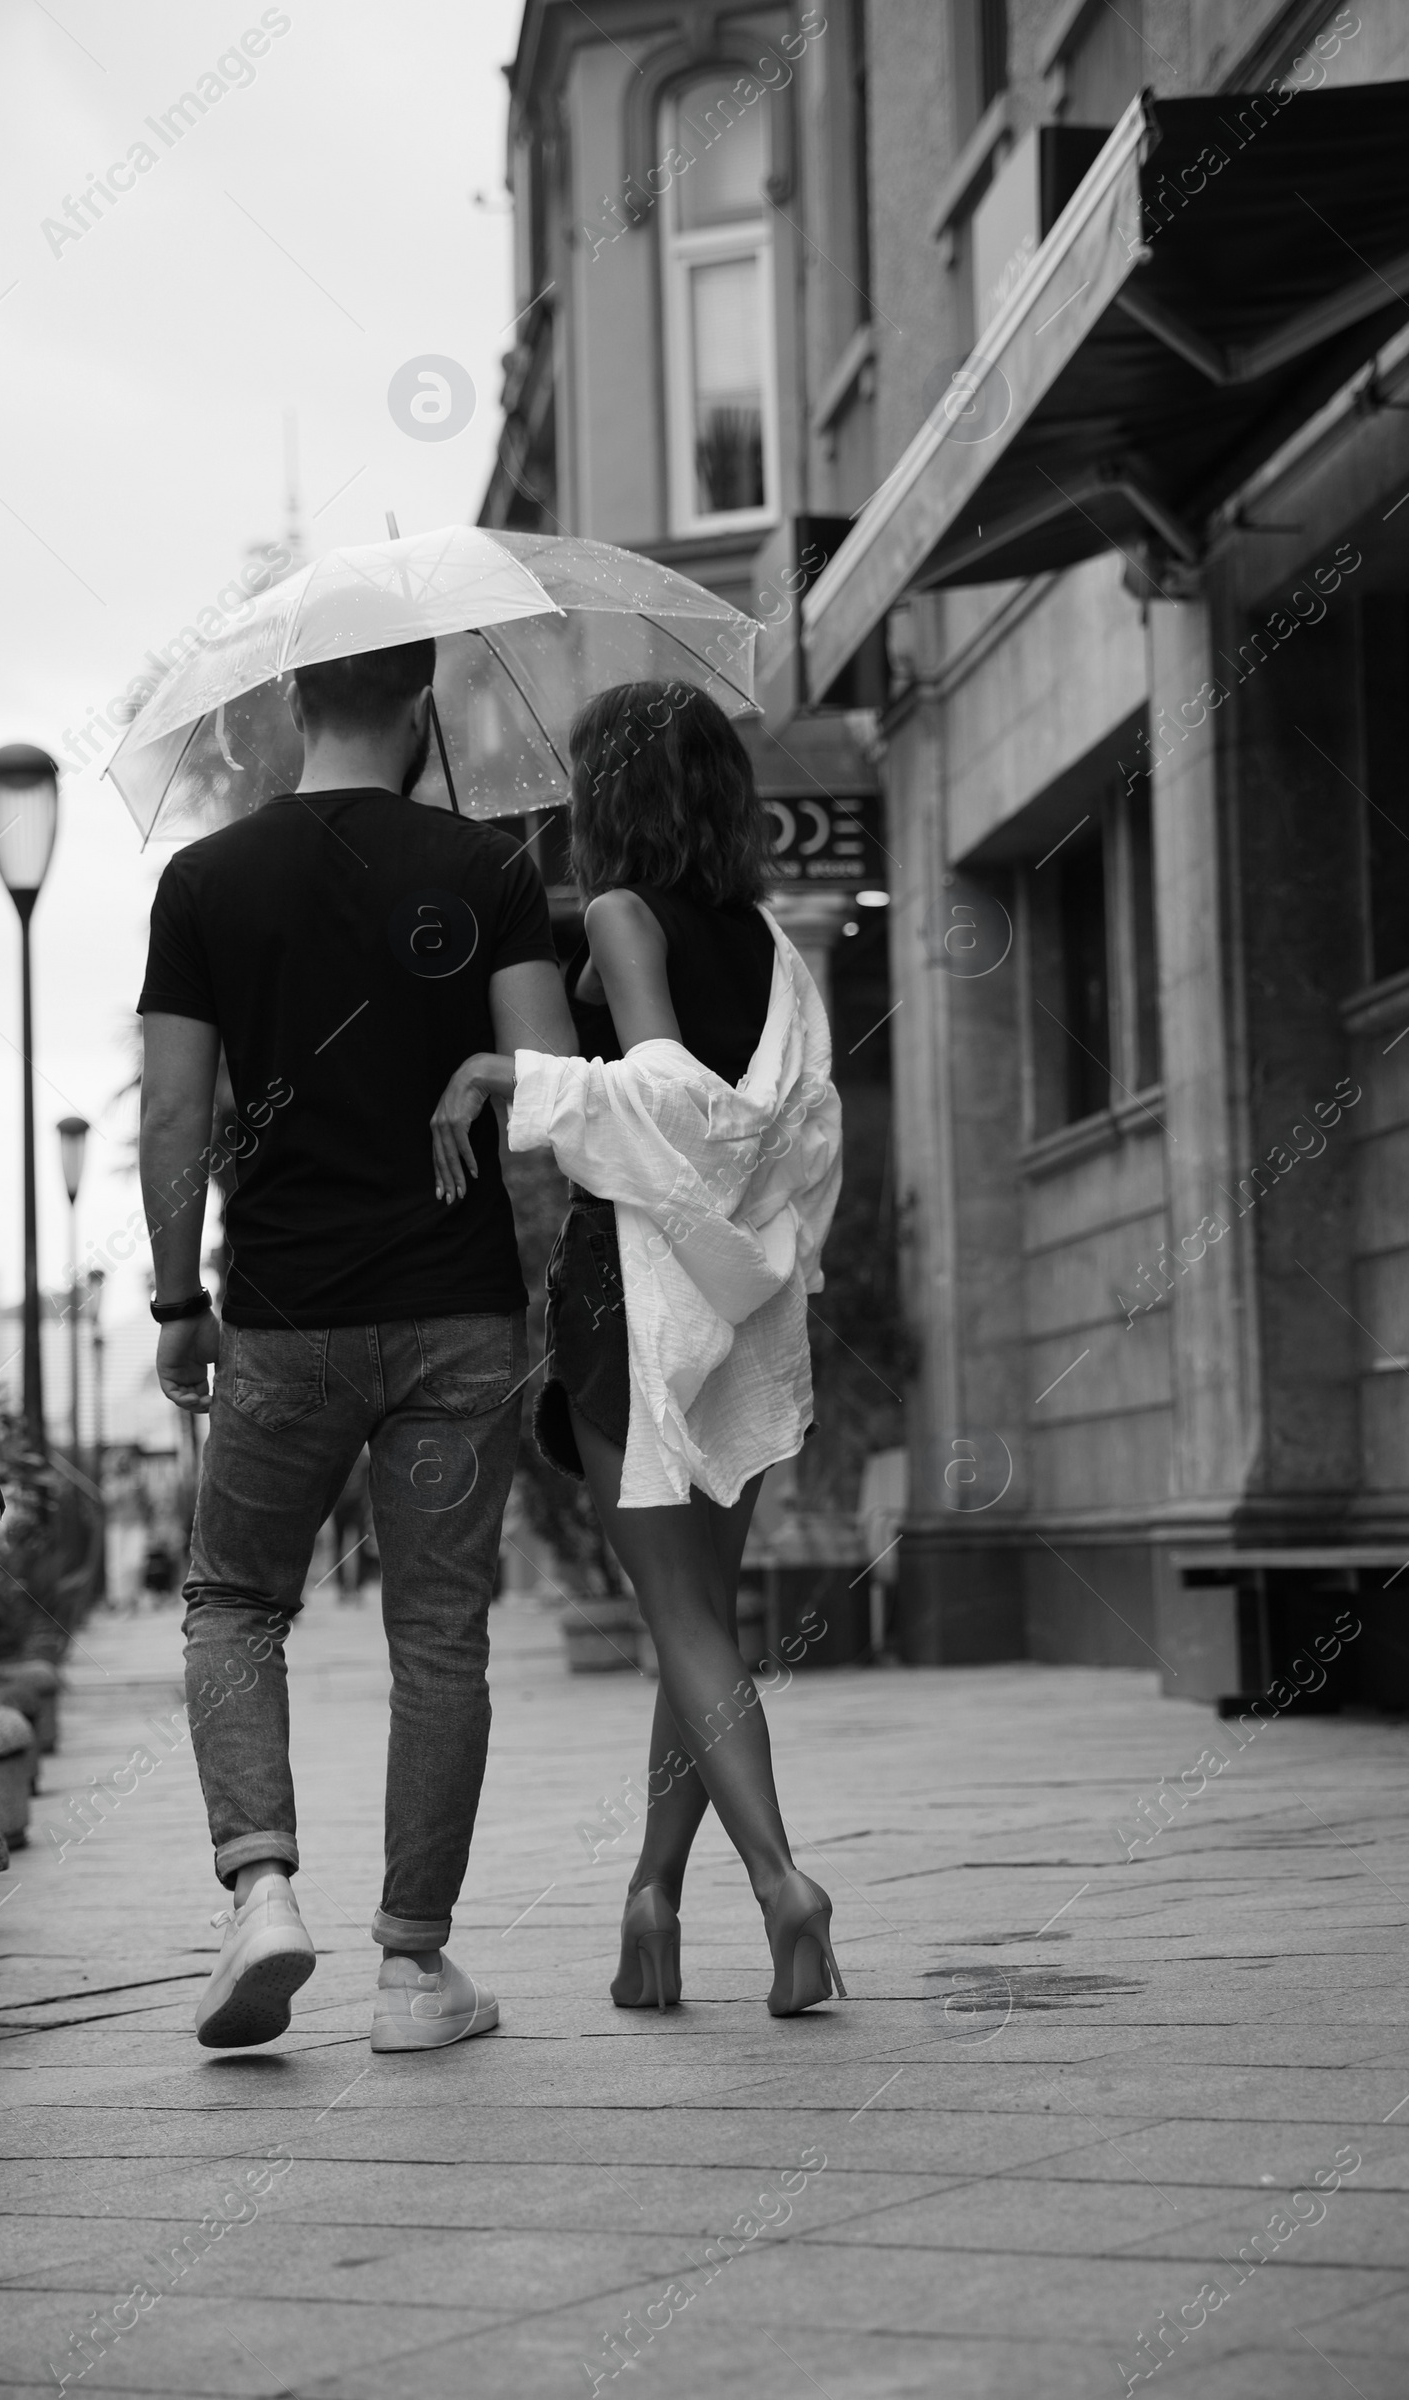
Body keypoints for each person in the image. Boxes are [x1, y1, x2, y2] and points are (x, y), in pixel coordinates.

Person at [137, 636, 576, 2053]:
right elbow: (555, 1098)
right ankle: (411, 1973)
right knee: (440, 1634)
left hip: (284, 1316)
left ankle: (261, 1889)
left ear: (288, 702)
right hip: (458, 1306)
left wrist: (173, 1303)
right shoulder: (489, 872)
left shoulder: (204, 885)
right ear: (421, 701)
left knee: (235, 1604)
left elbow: (172, 1121)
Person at [430, 681, 846, 2017]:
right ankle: (652, 1908)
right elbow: (782, 1128)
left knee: (680, 1621)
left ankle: (785, 1885)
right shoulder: (773, 943)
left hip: (641, 1300)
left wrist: (523, 1076)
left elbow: (663, 1101)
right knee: (701, 1626)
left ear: (608, 796)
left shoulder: (618, 916)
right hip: (753, 1306)